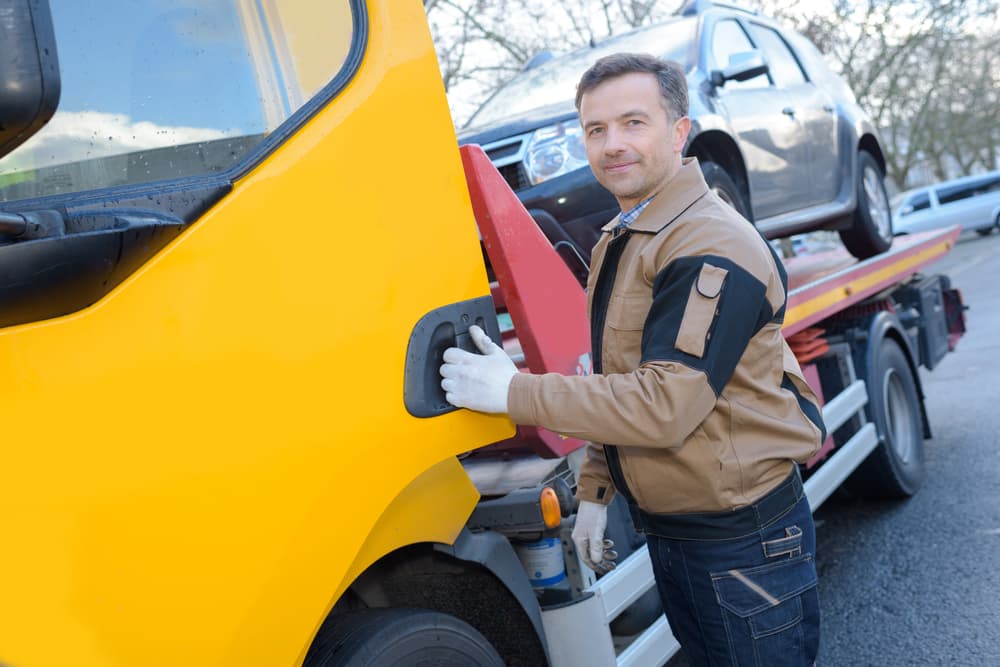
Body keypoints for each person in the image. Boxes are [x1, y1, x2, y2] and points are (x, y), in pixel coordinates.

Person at [440, 53, 825, 666]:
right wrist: (596, 487)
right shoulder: (631, 234)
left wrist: (514, 391)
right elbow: (621, 377)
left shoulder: (707, 243)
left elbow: (664, 404)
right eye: (596, 130)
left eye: (633, 123)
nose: (612, 144)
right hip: (683, 534)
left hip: (740, 541)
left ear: (679, 131)